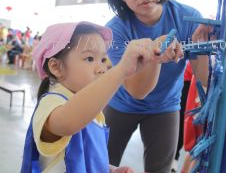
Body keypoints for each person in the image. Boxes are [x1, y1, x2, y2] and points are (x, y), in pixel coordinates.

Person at [104, 0, 210, 172]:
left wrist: (203, 46)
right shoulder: (115, 31)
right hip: (121, 104)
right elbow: (137, 91)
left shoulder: (188, 19)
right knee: (99, 164)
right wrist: (156, 52)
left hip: (165, 107)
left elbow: (205, 78)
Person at [21, 21, 162, 173]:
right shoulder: (51, 103)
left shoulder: (93, 111)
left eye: (103, 60)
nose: (102, 68)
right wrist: (121, 70)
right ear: (56, 67)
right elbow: (69, 122)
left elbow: (85, 158)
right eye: (89, 59)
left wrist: (110, 170)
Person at [171, 62, 192, 172]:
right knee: (182, 120)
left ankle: (174, 158)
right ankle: (174, 158)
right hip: (190, 80)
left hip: (208, 82)